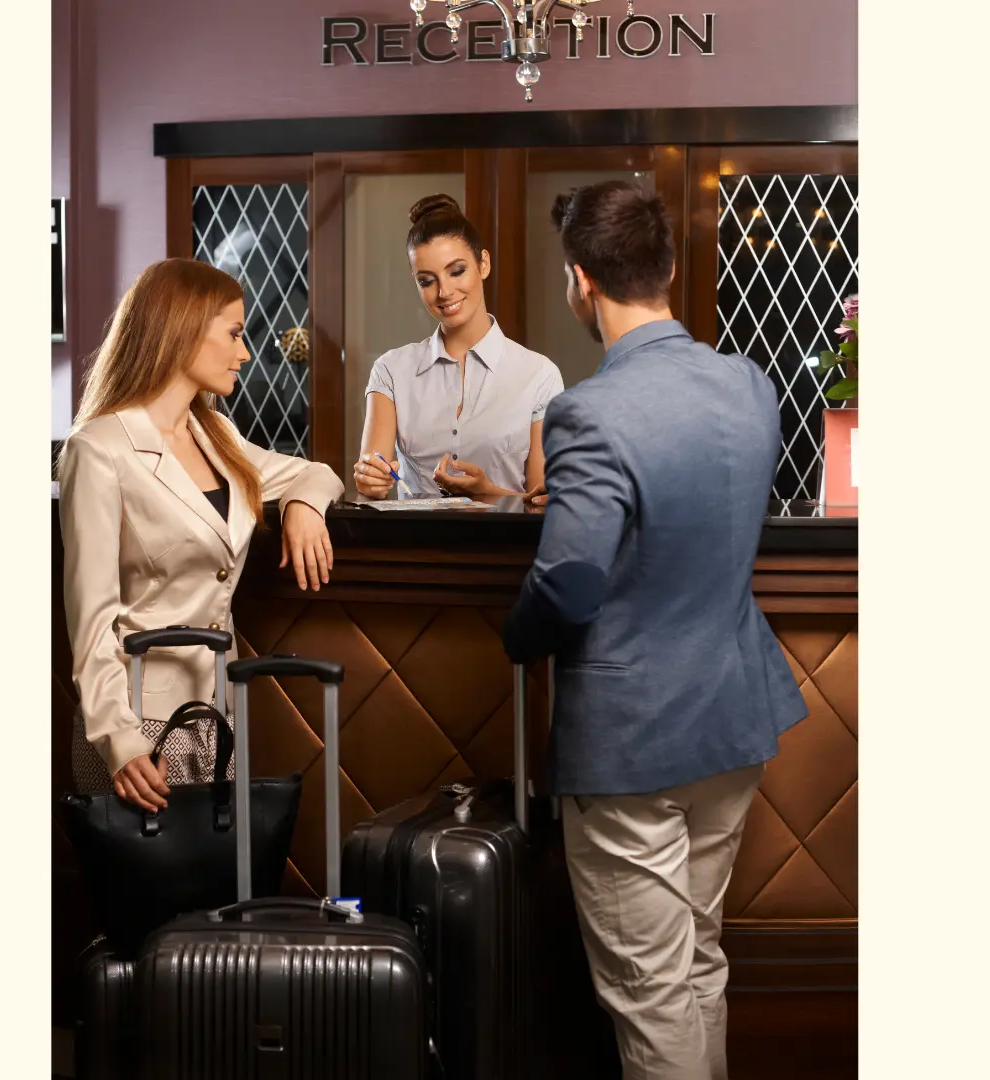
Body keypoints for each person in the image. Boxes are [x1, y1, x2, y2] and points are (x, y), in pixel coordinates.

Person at [503, 183, 808, 1080]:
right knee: (698, 962)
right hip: (732, 718)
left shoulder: (590, 411)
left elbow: (570, 582)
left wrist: (515, 638)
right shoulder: (749, 384)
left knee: (651, 993)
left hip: (633, 742)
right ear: (667, 268)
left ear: (581, 282)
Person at [58, 258, 343, 813]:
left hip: (217, 714)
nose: (245, 352)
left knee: (218, 870)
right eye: (234, 334)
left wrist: (304, 504)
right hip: (138, 724)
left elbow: (316, 472)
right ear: (183, 330)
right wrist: (120, 742)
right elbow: (90, 622)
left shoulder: (217, 436)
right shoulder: (98, 450)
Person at [353, 194, 563, 500]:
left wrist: (489, 493)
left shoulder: (540, 375)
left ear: (483, 264)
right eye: (427, 281)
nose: (444, 291)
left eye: (456, 271)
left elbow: (544, 505)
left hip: (507, 535)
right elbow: (372, 486)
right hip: (408, 533)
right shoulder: (391, 371)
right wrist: (369, 480)